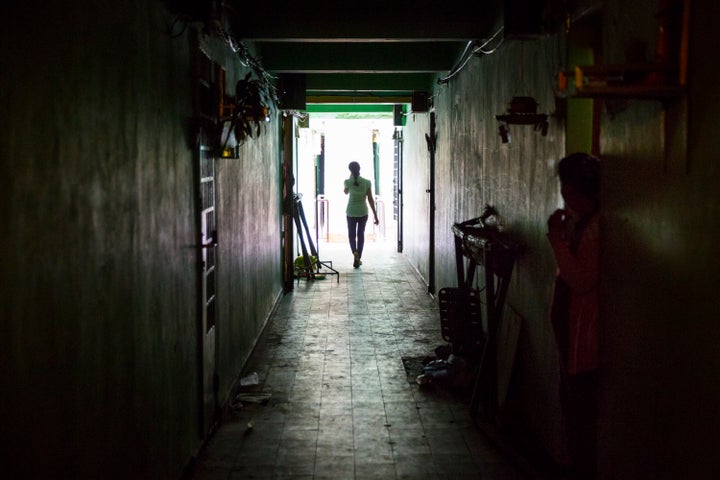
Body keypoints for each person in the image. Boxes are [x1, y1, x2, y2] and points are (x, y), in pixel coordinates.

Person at [547, 152, 600, 478]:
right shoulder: (583, 224)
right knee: (570, 403)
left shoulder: (597, 229)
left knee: (580, 412)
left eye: (569, 192)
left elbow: (580, 280)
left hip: (585, 337)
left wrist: (556, 240)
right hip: (572, 333)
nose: (566, 199)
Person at [344, 161, 379, 268]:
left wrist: (350, 178)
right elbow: (370, 199)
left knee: (351, 235)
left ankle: (354, 252)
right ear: (359, 169)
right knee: (361, 235)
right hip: (363, 212)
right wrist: (375, 215)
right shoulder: (366, 182)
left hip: (351, 212)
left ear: (350, 170)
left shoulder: (348, 182)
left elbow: (345, 192)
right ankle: (359, 256)